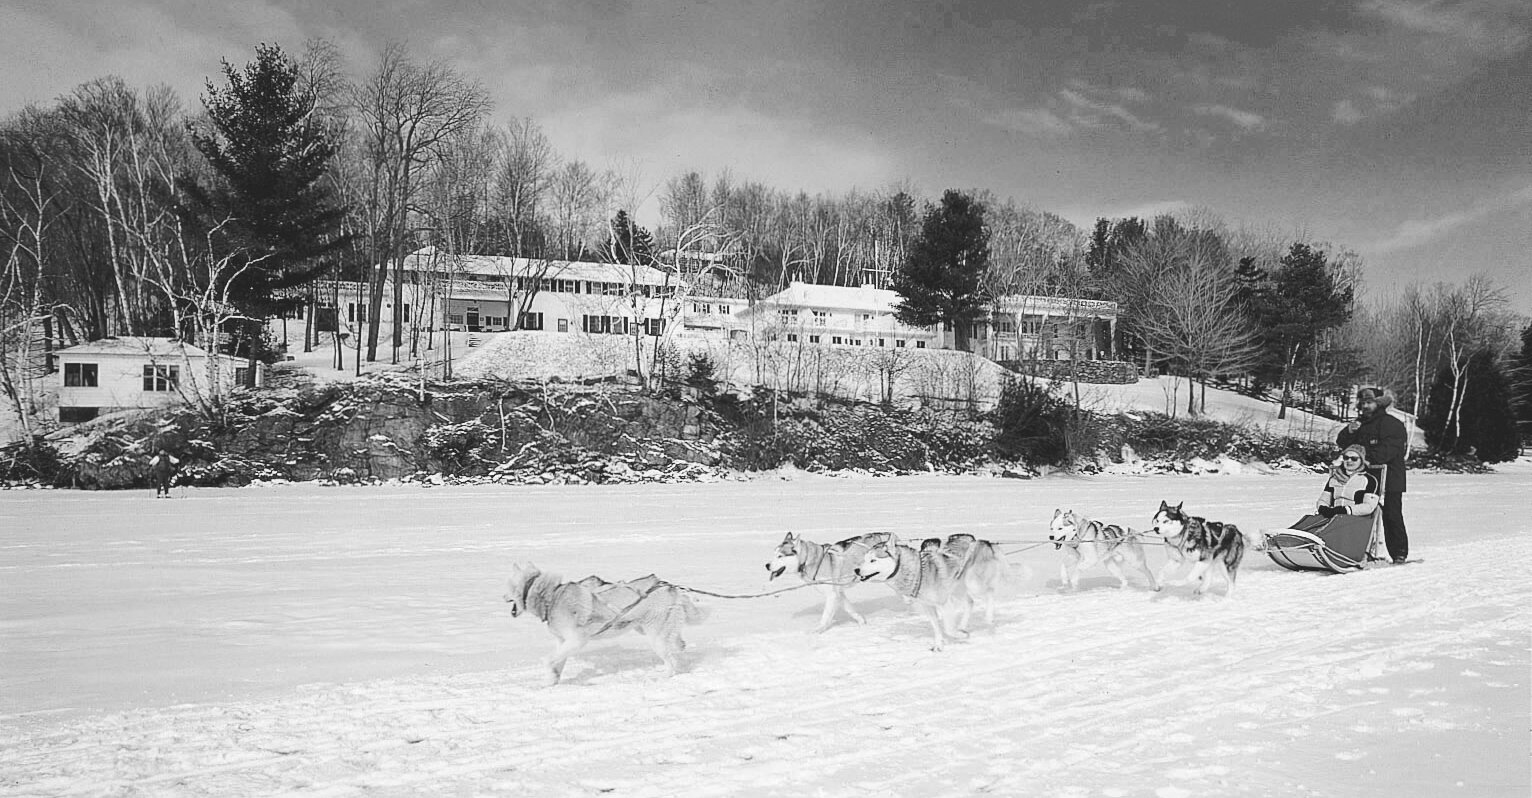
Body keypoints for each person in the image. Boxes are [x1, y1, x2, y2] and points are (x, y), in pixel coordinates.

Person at [1336, 386, 1409, 563]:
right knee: (1359, 512)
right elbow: (1343, 443)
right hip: (1364, 478)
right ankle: (1358, 549)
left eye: (1370, 403)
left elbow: (1389, 449)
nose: (1366, 406)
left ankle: (1398, 552)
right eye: (1363, 403)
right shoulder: (1359, 424)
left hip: (1389, 476)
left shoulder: (1392, 424)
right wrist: (1349, 432)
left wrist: (1366, 458)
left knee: (1391, 514)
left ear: (1379, 404)